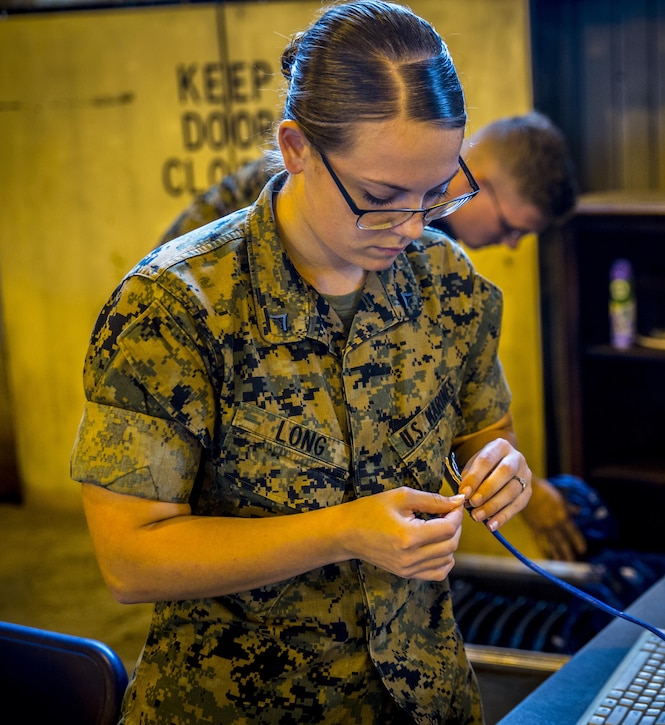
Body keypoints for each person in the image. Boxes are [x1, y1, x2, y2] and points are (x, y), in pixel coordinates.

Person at [71, 2, 534, 722]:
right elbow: (130, 559)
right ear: (297, 148)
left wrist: (504, 468)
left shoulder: (447, 282)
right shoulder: (176, 306)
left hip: (421, 698)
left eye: (436, 193)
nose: (411, 228)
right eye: (380, 198)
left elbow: (485, 434)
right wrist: (343, 530)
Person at [160, 112, 589, 561]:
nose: (513, 244)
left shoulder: (436, 263)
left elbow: (453, 408)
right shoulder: (270, 214)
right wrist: (341, 533)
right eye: (511, 227)